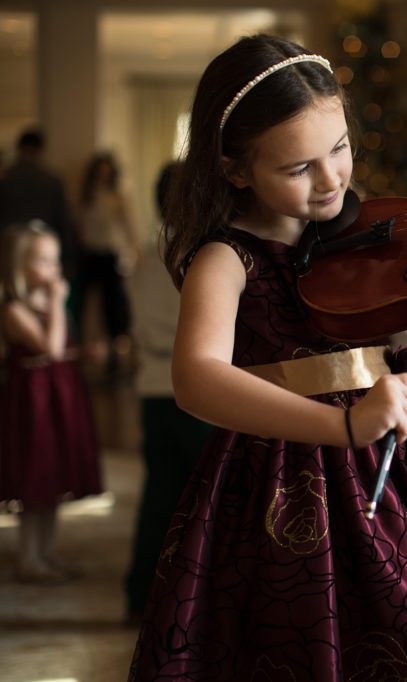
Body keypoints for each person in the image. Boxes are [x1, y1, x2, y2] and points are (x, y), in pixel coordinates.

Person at [127, 34, 407, 681]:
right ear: (235, 170)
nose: (331, 179)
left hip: (388, 474)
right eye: (299, 168)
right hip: (280, 488)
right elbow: (196, 380)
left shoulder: (354, 237)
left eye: (339, 150)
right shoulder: (227, 259)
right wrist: (343, 425)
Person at [122, 161, 212, 623]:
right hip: (190, 386)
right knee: (202, 499)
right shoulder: (200, 251)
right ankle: (191, 602)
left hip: (152, 386)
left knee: (159, 492)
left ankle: (140, 596)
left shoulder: (144, 248)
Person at [0, 220, 102, 584]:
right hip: (33, 407)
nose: (54, 269)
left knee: (54, 479)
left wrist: (84, 353)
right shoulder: (14, 309)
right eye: (43, 260)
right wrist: (59, 302)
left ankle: (47, 553)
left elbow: (63, 353)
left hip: (60, 400)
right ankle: (29, 558)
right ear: (19, 265)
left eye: (56, 260)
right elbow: (51, 347)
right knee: (35, 479)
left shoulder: (50, 304)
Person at [76, 151, 141, 373]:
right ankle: (87, 352)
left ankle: (116, 354)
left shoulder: (118, 196)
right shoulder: (87, 196)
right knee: (87, 306)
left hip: (111, 255)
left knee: (113, 307)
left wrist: (136, 253)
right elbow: (81, 226)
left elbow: (129, 227)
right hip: (91, 255)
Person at [0, 130, 78, 278]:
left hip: (8, 248)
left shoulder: (5, 179)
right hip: (42, 249)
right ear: (41, 150)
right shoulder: (52, 181)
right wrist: (68, 258)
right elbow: (63, 220)